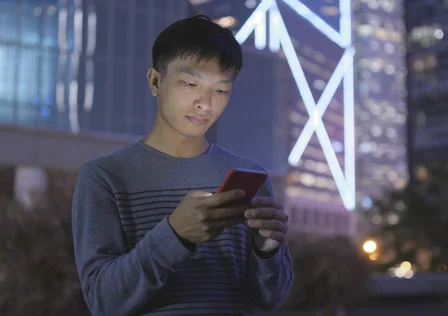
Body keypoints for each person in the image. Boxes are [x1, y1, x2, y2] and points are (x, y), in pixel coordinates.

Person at [72, 15, 294, 315]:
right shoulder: (105, 177)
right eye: (191, 83)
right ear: (155, 81)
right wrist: (175, 234)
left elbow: (270, 300)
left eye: (221, 90)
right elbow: (103, 301)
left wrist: (266, 251)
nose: (205, 103)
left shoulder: (251, 176)